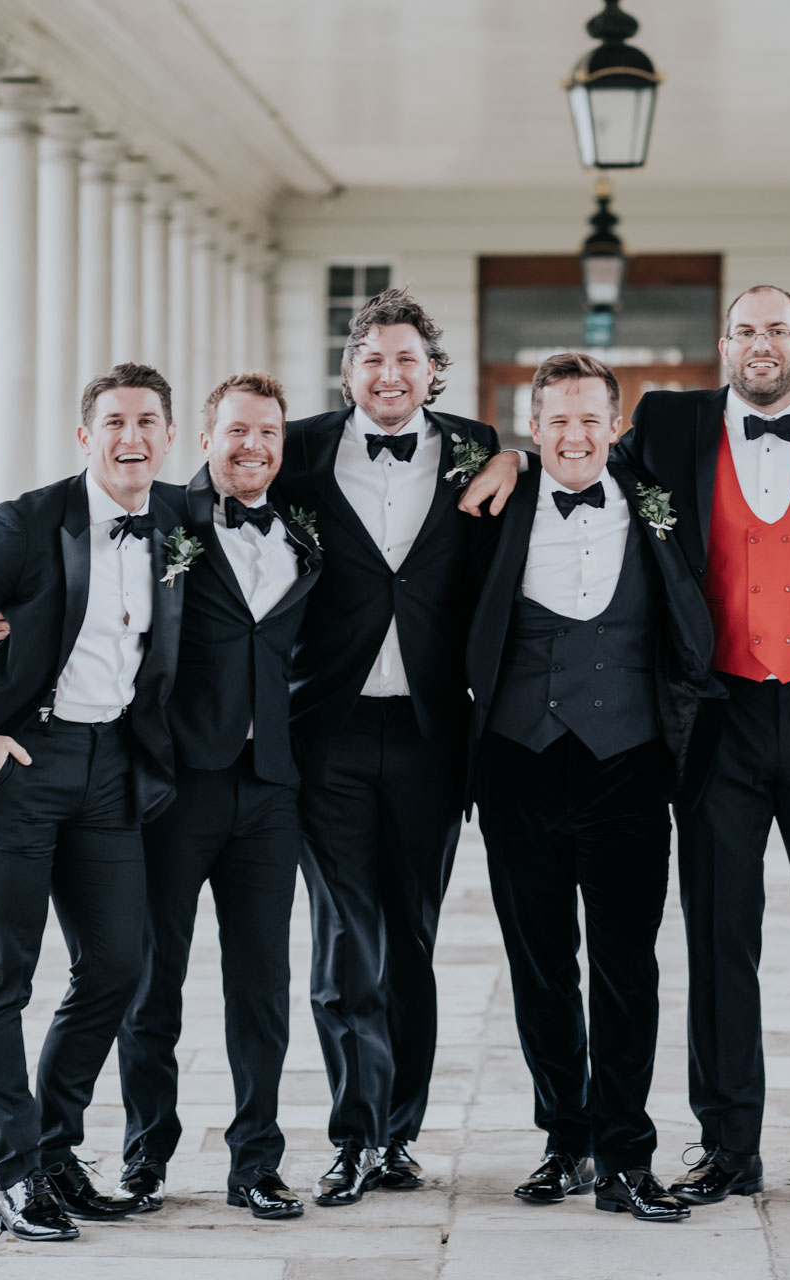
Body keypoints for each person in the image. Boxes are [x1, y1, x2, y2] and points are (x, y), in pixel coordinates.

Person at [463, 284, 790, 1205]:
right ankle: (723, 1145)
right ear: (722, 343)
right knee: (715, 935)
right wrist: (509, 452)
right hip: (716, 719)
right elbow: (562, 461)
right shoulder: (668, 431)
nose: (760, 345)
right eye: (744, 330)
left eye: (777, 330)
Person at [0, 363, 187, 1241]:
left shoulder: (183, 520)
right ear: (84, 436)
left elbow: (270, 491)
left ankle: (57, 1150)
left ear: (170, 436)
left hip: (114, 767)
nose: (130, 437)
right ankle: (15, 1172)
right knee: (5, 979)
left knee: (115, 967)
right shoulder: (25, 523)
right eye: (113, 422)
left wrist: (506, 462)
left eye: (146, 421)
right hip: (21, 762)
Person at [467, 353, 722, 1222]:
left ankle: (624, 1154)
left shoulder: (662, 507)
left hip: (629, 765)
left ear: (616, 427)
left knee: (626, 970)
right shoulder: (491, 509)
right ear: (531, 430)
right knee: (540, 969)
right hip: (516, 763)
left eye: (590, 419)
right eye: (556, 420)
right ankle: (564, 1139)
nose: (574, 435)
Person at [269, 288, 500, 1206]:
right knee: (342, 941)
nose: (389, 375)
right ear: (348, 370)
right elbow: (204, 510)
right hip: (325, 730)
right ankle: (353, 1135)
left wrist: (517, 458)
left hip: (431, 734)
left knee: (409, 938)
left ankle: (399, 1132)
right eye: (372, 359)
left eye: (406, 360)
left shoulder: (480, 450)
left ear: (431, 371)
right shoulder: (301, 451)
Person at [113, 372, 320, 1221]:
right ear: (204, 440)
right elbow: (82, 569)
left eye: (268, 433)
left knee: (262, 985)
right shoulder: (164, 517)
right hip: (177, 787)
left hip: (271, 788)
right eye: (237, 431)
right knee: (152, 981)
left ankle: (255, 1161)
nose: (253, 447)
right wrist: (4, 615)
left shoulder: (305, 533)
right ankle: (144, 1155)